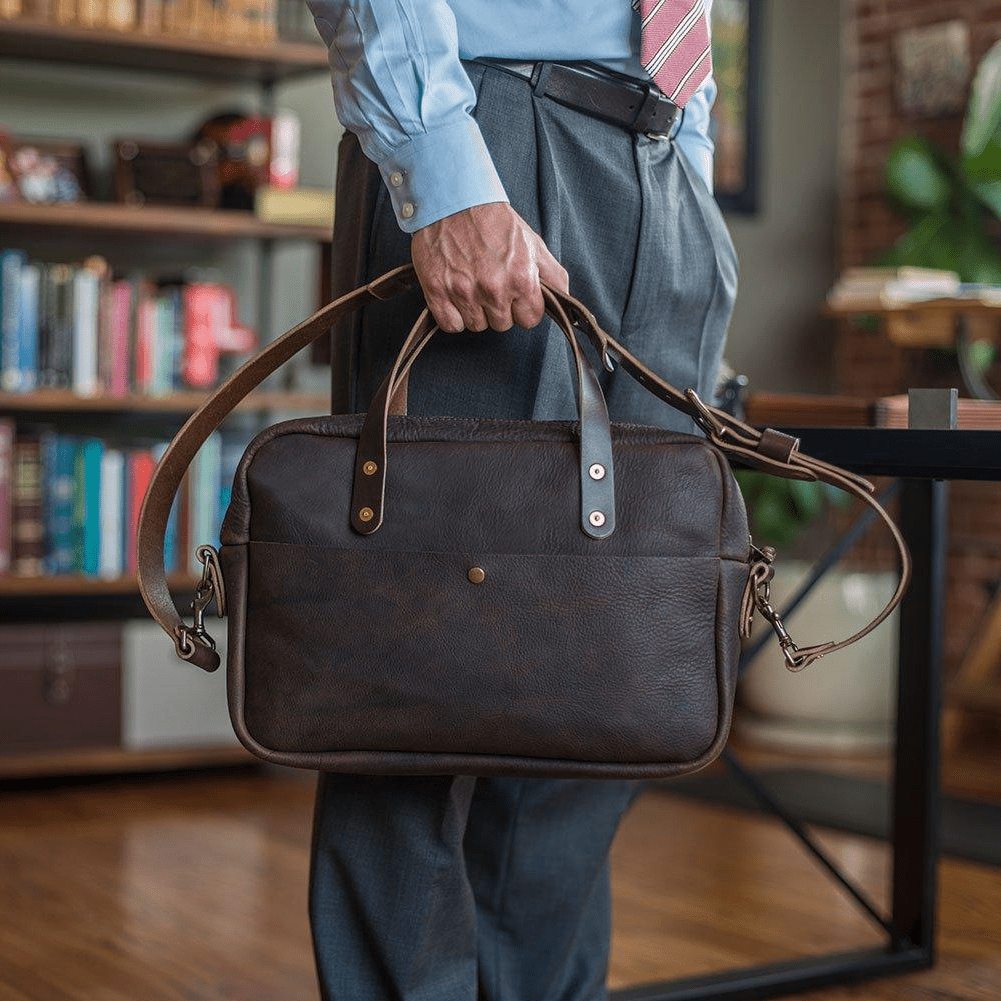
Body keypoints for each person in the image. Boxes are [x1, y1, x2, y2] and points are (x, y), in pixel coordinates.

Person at [299, 3, 738, 999]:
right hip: (494, 137)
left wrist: (692, 189)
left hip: (661, 165)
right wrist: (440, 163)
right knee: (418, 669)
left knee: (602, 681)